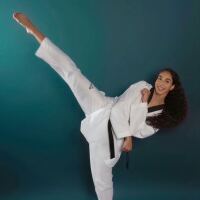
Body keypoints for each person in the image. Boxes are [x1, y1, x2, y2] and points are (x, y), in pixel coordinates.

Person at [13, 13, 188, 200]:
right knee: (73, 74)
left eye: (166, 81)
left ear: (172, 87)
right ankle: (34, 31)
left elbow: (139, 130)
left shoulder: (161, 116)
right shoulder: (143, 86)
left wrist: (142, 107)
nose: (160, 83)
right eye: (160, 78)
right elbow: (120, 109)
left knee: (102, 181)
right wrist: (129, 133)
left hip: (112, 140)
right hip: (103, 107)